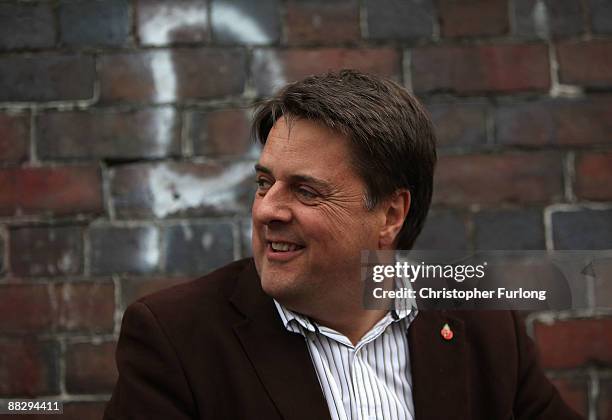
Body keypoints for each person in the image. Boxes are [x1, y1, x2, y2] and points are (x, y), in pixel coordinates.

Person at [103, 70, 582, 420]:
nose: (268, 209)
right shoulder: (177, 338)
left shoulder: (482, 323)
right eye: (264, 183)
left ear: (390, 215)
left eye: (306, 191)